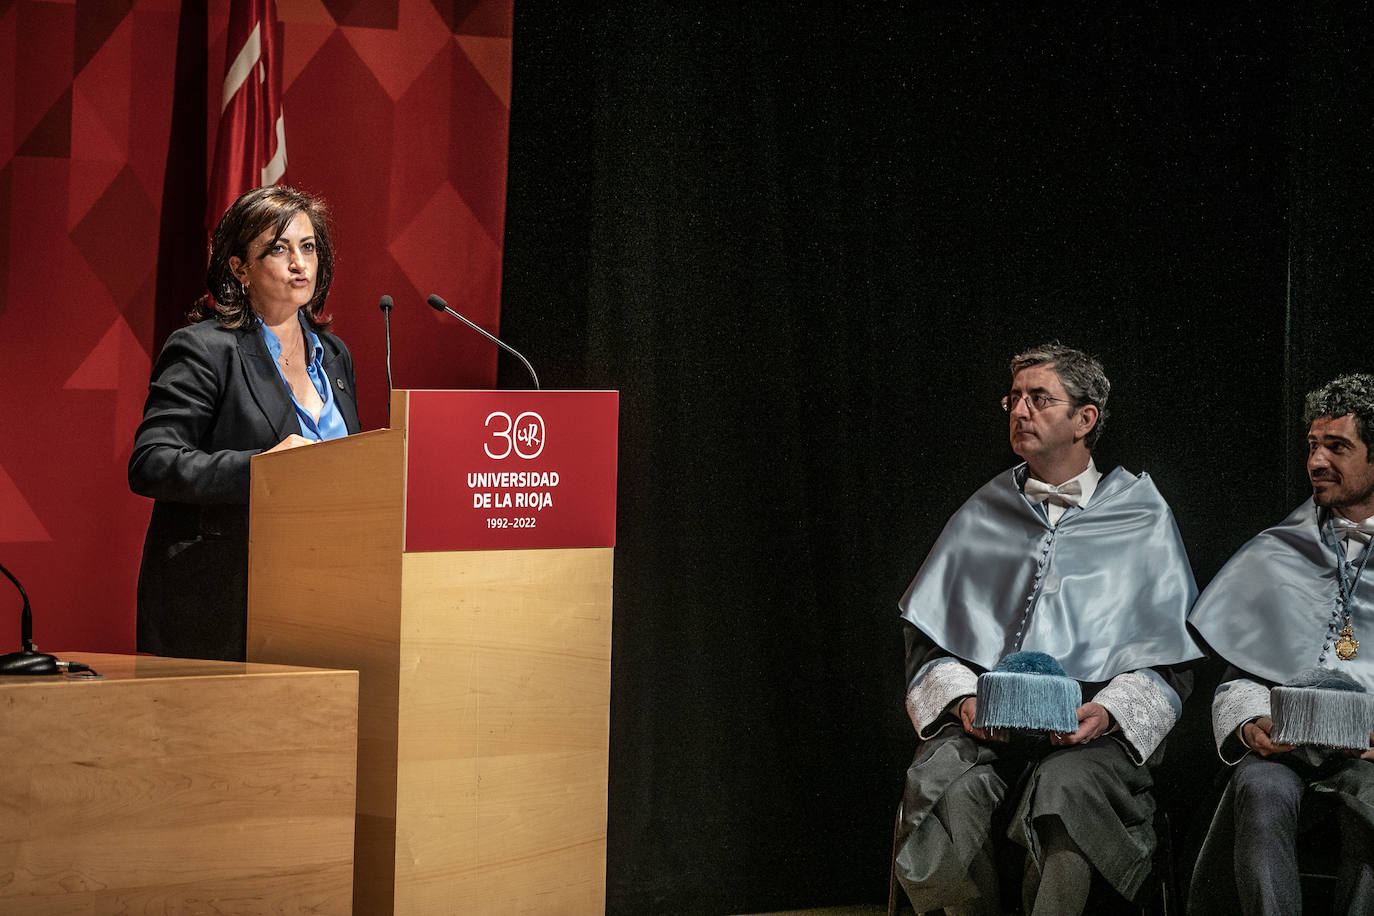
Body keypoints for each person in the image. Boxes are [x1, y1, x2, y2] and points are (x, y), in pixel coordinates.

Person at [893, 343, 1201, 916]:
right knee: (946, 782)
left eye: (1039, 398)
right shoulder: (984, 510)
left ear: (1085, 419)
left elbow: (1169, 658)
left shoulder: (1141, 513)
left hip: (1092, 729)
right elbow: (932, 639)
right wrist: (963, 702)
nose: (1019, 411)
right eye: (1014, 398)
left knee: (1067, 790)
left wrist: (1106, 713)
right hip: (986, 721)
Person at [129, 185, 361, 661]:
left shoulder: (334, 355)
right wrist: (261, 470)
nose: (300, 263)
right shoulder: (205, 349)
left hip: (324, 588)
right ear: (240, 268)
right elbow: (152, 462)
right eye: (279, 249)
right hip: (222, 594)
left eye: (309, 246)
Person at [1187, 374, 1374, 916]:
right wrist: (1251, 725)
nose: (1317, 461)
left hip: (1369, 752)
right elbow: (1238, 678)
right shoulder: (1277, 549)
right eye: (1313, 445)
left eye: (1337, 447)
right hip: (1289, 747)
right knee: (1259, 784)